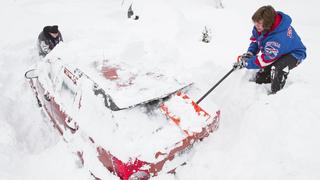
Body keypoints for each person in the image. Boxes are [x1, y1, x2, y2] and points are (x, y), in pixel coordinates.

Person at [234, 5, 306, 94]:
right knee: (260, 78)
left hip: (295, 54)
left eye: (259, 25)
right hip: (279, 52)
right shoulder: (261, 28)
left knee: (277, 69)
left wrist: (247, 63)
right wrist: (250, 53)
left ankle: (276, 94)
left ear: (268, 24)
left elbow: (265, 60)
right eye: (255, 24)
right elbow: (256, 40)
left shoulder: (277, 38)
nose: (256, 27)